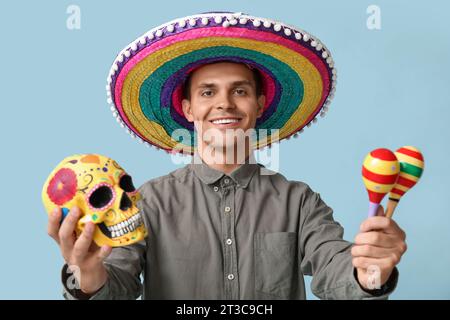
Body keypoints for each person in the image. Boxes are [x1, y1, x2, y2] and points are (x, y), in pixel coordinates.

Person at [47, 12, 407, 300]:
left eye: (239, 90)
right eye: (207, 92)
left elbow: (338, 275)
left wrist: (371, 271)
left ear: (259, 104)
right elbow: (117, 287)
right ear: (187, 108)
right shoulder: (148, 203)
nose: (224, 103)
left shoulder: (300, 202)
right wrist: (89, 274)